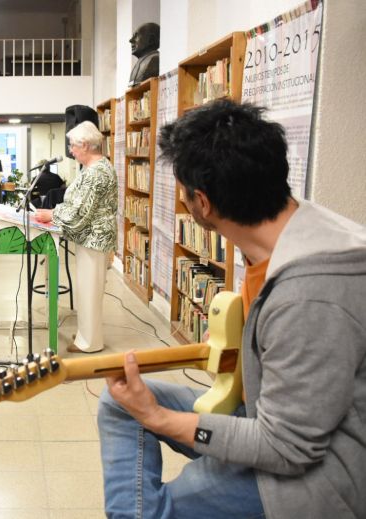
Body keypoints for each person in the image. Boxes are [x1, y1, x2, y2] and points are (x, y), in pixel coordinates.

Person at [98, 100, 366, 518]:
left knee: (156, 497)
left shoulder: (310, 295)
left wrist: (158, 417)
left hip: (314, 476)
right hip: (265, 412)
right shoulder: (284, 231)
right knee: (118, 402)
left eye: (183, 192)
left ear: (202, 203)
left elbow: (287, 447)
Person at [34, 121, 117, 354]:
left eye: (72, 145)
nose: (70, 150)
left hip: (95, 238)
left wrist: (51, 214)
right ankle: (87, 334)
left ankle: (89, 343)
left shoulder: (96, 172)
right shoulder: (93, 168)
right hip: (91, 237)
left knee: (90, 290)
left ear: (85, 145)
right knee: (88, 289)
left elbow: (80, 211)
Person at [128, 22, 160, 87]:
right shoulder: (140, 62)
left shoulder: (154, 59)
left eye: (136, 36)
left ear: (151, 40)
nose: (131, 40)